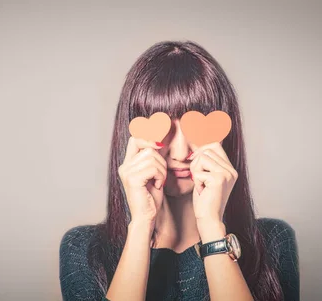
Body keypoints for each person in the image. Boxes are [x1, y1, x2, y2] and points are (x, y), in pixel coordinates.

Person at [59, 40, 299, 301]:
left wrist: (210, 225)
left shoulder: (273, 242)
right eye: (165, 130)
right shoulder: (84, 249)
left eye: (194, 128)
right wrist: (141, 225)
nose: (180, 153)